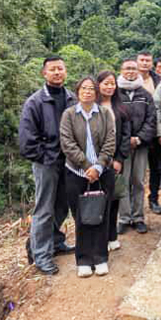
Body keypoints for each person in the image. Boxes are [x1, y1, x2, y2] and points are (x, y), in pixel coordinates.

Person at [18, 56, 77, 275]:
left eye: (60, 69)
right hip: (47, 163)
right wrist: (45, 156)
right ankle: (41, 255)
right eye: (52, 69)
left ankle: (55, 241)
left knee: (63, 206)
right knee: (44, 209)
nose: (57, 73)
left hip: (69, 161)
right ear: (44, 73)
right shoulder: (35, 102)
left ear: (65, 71)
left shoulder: (72, 98)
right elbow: (26, 140)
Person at [60, 77, 117, 278]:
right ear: (78, 92)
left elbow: (110, 141)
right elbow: (67, 143)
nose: (87, 92)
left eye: (91, 89)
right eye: (84, 88)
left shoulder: (104, 114)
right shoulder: (68, 115)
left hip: (103, 173)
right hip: (77, 173)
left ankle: (100, 258)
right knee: (81, 217)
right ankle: (83, 260)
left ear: (96, 92)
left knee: (102, 214)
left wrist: (99, 166)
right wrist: (87, 166)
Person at [115, 58, 157, 235]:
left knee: (138, 181)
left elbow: (151, 119)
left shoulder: (145, 95)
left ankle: (138, 217)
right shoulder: (115, 93)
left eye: (133, 68)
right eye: (127, 68)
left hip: (140, 146)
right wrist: (124, 140)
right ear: (121, 70)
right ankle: (124, 218)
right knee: (122, 182)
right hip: (121, 147)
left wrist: (139, 138)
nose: (131, 71)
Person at [96, 71, 132, 252]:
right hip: (95, 162)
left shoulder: (121, 107)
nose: (109, 87)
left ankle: (112, 236)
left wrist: (119, 159)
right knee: (97, 200)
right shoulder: (91, 106)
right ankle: (99, 238)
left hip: (114, 161)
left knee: (113, 198)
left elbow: (126, 135)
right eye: (105, 83)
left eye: (112, 83)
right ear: (98, 84)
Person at [137, 52, 161, 216]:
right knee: (135, 171)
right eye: (142, 60)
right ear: (136, 62)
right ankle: (133, 205)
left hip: (154, 131)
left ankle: (153, 199)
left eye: (148, 60)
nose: (145, 63)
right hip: (135, 133)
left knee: (156, 168)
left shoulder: (158, 81)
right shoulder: (130, 80)